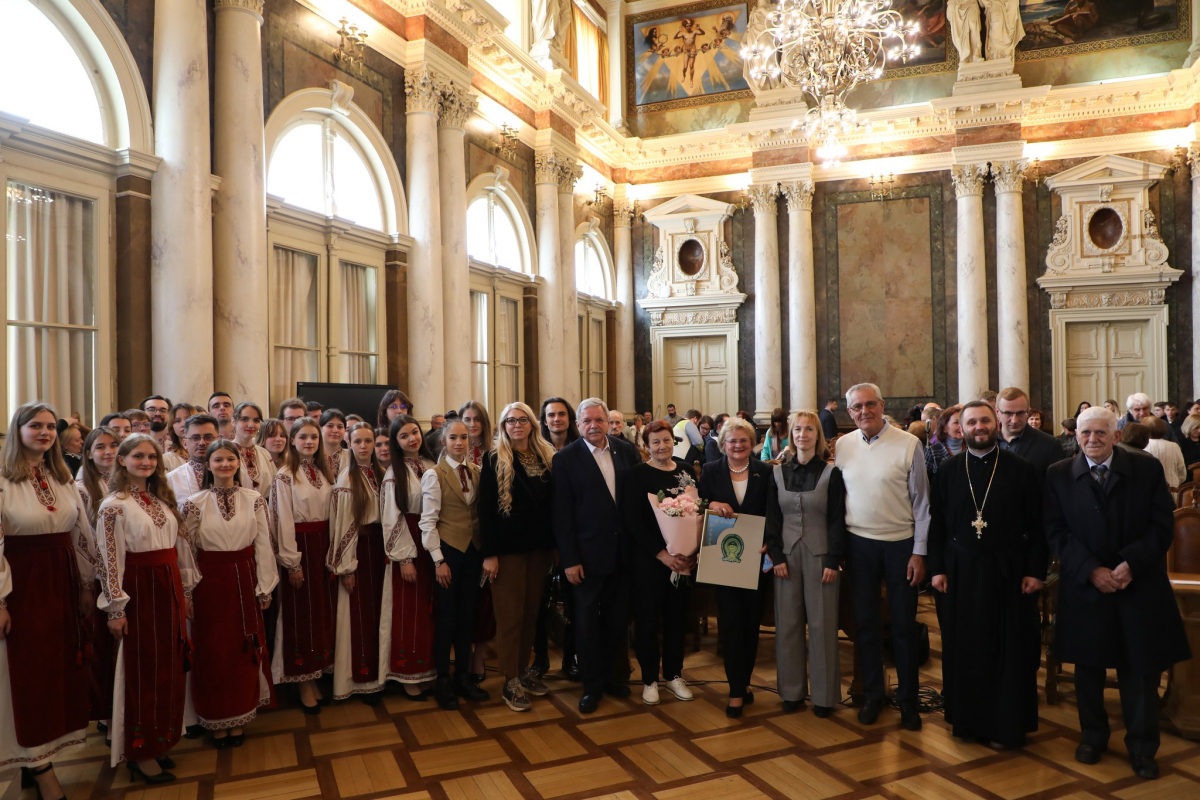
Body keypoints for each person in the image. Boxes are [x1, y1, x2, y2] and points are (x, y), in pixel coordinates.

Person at [1043, 406, 1191, 780]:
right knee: (1088, 669)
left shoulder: (1145, 468)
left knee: (1138, 671)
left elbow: (1161, 524)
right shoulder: (1059, 474)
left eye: (1100, 433)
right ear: (1075, 437)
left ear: (1117, 435)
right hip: (1086, 586)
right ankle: (1093, 737)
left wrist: (1130, 565)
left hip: (1137, 585)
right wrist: (1091, 569)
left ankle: (1142, 747)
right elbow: (1056, 531)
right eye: (1085, 433)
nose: (1092, 439)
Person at [929, 401, 1046, 748]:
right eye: (971, 422)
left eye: (984, 420)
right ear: (960, 428)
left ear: (995, 423)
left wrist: (1035, 571)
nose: (978, 427)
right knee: (965, 648)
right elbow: (937, 524)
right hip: (960, 571)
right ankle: (968, 722)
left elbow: (1038, 526)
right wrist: (936, 569)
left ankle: (1007, 726)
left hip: (1009, 573)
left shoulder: (1021, 469)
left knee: (1010, 650)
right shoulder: (948, 471)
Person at [0, 403, 96, 799]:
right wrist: (1, 600)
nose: (44, 433)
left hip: (62, 580)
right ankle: (39, 766)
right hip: (23, 586)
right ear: (17, 431)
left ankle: (36, 759)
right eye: (34, 426)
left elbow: (81, 532)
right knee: (27, 677)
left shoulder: (61, 477)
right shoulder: (4, 480)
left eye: (49, 427)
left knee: (56, 672)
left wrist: (88, 584)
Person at [96, 434, 194, 783]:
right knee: (143, 668)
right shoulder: (114, 505)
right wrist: (116, 608)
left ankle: (159, 740)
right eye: (138, 456)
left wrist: (184, 589)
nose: (146, 462)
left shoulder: (158, 498)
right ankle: (139, 750)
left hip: (166, 587)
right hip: (139, 591)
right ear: (121, 460)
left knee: (167, 666)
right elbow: (109, 561)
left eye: (152, 457)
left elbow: (177, 549)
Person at [836, 382, 929, 731]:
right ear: (849, 412)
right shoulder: (843, 446)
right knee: (865, 626)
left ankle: (908, 702)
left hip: (900, 546)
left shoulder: (909, 444)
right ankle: (874, 695)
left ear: (882, 404)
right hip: (858, 546)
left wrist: (919, 552)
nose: (864, 412)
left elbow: (922, 503)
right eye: (857, 407)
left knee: (902, 627)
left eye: (870, 404)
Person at [179, 441, 275, 745]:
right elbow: (187, 550)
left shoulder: (254, 499)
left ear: (239, 464)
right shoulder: (194, 503)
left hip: (245, 578)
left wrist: (265, 584)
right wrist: (188, 592)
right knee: (213, 652)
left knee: (244, 648)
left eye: (230, 459)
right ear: (208, 465)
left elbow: (263, 544)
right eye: (218, 460)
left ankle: (241, 713)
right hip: (210, 583)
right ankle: (215, 718)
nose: (224, 464)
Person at [553, 398, 641, 714]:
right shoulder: (565, 459)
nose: (593, 425)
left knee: (617, 623)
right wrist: (570, 559)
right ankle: (591, 687)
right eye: (586, 421)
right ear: (578, 425)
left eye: (599, 420)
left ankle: (613, 678)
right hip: (585, 560)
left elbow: (632, 502)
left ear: (608, 422)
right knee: (587, 626)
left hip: (622, 556)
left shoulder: (625, 450)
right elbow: (562, 515)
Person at [764, 411, 845, 717]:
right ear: (791, 434)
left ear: (818, 435)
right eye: (798, 429)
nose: (803, 434)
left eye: (809, 429)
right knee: (787, 625)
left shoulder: (831, 473)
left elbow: (837, 519)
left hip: (820, 556)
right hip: (786, 556)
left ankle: (824, 697)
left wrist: (833, 561)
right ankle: (791, 692)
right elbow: (773, 519)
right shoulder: (776, 473)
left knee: (823, 627)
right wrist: (776, 556)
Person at [478, 402, 556, 712]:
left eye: (522, 419)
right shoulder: (495, 458)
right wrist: (490, 554)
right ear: (503, 426)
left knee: (530, 615)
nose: (517, 425)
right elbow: (485, 510)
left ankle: (522, 671)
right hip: (507, 551)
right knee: (509, 617)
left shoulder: (547, 456)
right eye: (511, 420)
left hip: (539, 549)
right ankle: (510, 679)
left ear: (532, 424)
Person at [698, 416, 777, 718]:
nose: (738, 445)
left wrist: (771, 539)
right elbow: (702, 504)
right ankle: (735, 690)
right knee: (730, 624)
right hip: (724, 560)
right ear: (723, 444)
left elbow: (773, 511)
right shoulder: (710, 470)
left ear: (752, 443)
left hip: (756, 558)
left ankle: (743, 683)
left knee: (750, 625)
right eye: (732, 440)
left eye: (744, 440)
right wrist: (711, 504)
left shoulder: (765, 472)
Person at [621, 421, 697, 706]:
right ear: (646, 446)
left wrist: (690, 552)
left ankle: (674, 674)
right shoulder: (636, 475)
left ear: (673, 442)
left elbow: (695, 511)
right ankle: (650, 678)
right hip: (649, 561)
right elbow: (632, 521)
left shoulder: (686, 472)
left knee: (678, 618)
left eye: (666, 440)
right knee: (648, 620)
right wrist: (663, 555)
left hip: (683, 560)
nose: (662, 446)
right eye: (655, 442)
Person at [419, 419, 490, 710]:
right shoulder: (435, 475)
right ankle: (443, 681)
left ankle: (463, 677)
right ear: (443, 442)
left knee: (467, 618)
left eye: (463, 437)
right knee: (447, 620)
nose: (459, 442)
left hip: (473, 553)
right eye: (453, 438)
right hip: (448, 553)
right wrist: (438, 561)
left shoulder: (476, 472)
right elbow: (428, 521)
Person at [268, 417, 337, 712]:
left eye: (314, 437)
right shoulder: (285, 476)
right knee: (301, 614)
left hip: (323, 546)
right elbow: (282, 520)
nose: (309, 442)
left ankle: (318, 671)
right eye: (303, 437)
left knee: (321, 613)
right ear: (292, 441)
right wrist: (292, 563)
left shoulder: (322, 472)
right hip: (301, 547)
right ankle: (302, 680)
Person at [327, 423, 388, 705]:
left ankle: (380, 676)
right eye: (358, 442)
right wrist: (347, 566)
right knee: (359, 614)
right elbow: (344, 526)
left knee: (379, 614)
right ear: (349, 444)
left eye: (368, 441)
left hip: (379, 551)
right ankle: (359, 681)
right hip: (359, 551)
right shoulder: (347, 479)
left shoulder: (381, 474)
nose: (363, 446)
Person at [380, 414, 438, 698]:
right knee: (409, 609)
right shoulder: (394, 473)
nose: (412, 438)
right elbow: (392, 517)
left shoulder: (431, 465)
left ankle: (427, 668)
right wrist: (404, 558)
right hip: (410, 542)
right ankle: (407, 674)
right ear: (396, 442)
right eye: (404, 435)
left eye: (415, 432)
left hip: (433, 542)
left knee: (430, 609)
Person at [76, 426, 120, 726]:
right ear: (89, 454)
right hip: (95, 575)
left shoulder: (122, 483)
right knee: (101, 647)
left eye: (113, 446)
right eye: (100, 447)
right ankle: (105, 714)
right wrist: (88, 583)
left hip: (119, 571)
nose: (108, 452)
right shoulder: (81, 488)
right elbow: (83, 539)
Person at [534, 397, 579, 679]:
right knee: (539, 604)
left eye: (562, 414)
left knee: (574, 604)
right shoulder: (534, 451)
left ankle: (572, 658)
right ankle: (540, 659)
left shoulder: (579, 450)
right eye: (551, 415)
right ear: (544, 419)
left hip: (574, 539)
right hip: (540, 538)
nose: (556, 419)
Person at [459, 401, 496, 682]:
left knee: (487, 604)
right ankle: (459, 656)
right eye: (466, 419)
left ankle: (478, 657)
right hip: (459, 535)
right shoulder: (449, 451)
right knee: (463, 602)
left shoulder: (493, 455)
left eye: (476, 420)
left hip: (489, 533)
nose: (471, 425)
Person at [996, 387, 1066, 481]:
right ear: (997, 412)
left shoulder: (1050, 445)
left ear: (1028, 412)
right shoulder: (985, 442)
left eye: (1020, 413)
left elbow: (1057, 486)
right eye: (1008, 413)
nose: (1014, 420)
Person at [167, 413, 222, 504]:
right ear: (185, 443)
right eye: (195, 438)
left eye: (208, 437)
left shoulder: (233, 473)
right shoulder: (172, 479)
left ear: (219, 440)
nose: (202, 443)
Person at [232, 402, 277, 499]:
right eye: (245, 419)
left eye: (256, 420)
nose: (251, 425)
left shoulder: (264, 453)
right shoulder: (225, 452)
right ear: (233, 422)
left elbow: (274, 487)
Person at [1142, 415, 1187, 489]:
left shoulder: (1142, 446)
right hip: (1173, 487)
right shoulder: (1174, 446)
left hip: (1149, 488)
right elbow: (1182, 471)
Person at [924, 404, 963, 475]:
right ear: (944, 428)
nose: (961, 426)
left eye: (963, 422)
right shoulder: (933, 451)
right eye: (956, 423)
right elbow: (926, 479)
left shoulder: (972, 448)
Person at [164, 404, 194, 471]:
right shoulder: (167, 459)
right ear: (172, 427)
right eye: (177, 421)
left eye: (188, 419)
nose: (183, 424)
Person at [319, 409, 349, 476]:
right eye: (330, 426)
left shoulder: (352, 457)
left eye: (340, 427)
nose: (335, 430)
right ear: (320, 428)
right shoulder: (312, 456)